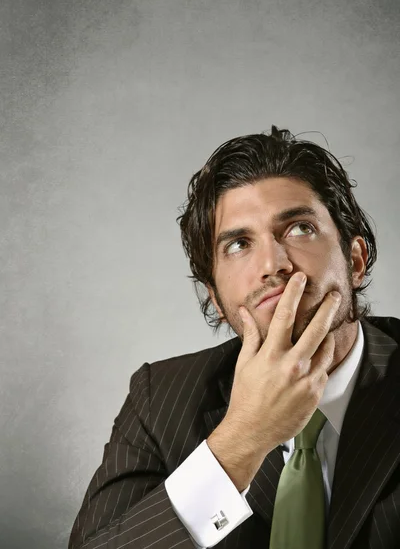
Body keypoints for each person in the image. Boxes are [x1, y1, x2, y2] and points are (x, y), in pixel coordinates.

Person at [68, 126, 400, 549]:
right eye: (240, 243)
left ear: (355, 261)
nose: (273, 263)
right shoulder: (159, 401)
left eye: (299, 228)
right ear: (217, 299)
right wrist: (243, 438)